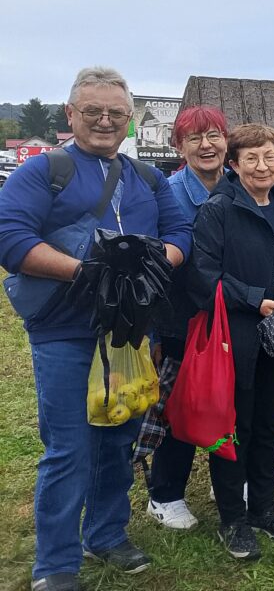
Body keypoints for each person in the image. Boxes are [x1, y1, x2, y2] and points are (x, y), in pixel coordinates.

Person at [0, 67, 192, 591]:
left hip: (129, 332)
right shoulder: (43, 172)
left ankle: (106, 535)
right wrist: (88, 273)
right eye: (92, 111)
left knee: (119, 436)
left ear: (129, 118)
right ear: (71, 114)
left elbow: (180, 233)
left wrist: (151, 265)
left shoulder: (148, 178)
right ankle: (56, 566)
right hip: (65, 330)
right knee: (69, 448)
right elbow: (11, 239)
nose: (105, 121)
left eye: (115, 113)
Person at [146, 106, 274, 530]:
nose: (206, 145)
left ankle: (248, 496)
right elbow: (195, 268)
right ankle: (171, 495)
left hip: (259, 323)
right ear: (179, 147)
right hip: (193, 317)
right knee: (190, 408)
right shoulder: (176, 194)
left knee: (257, 418)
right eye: (194, 138)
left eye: (213, 135)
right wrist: (253, 300)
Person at [187, 123, 274, 560]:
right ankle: (233, 518)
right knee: (235, 426)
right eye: (251, 158)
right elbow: (203, 276)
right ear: (234, 163)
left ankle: (263, 508)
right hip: (235, 333)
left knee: (268, 424)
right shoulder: (218, 209)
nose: (262, 166)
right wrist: (254, 300)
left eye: (270, 157)